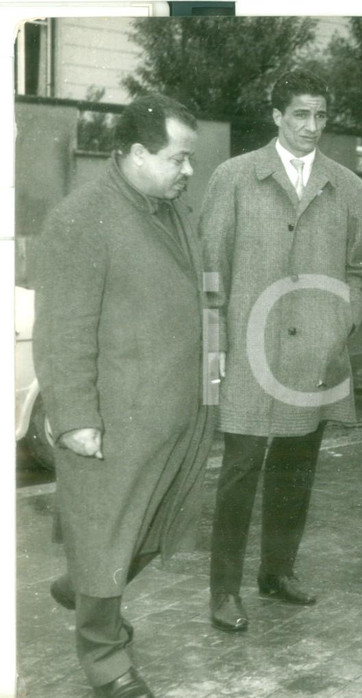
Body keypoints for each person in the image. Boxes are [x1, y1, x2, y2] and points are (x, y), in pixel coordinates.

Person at [34, 93, 213, 697]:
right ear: (137, 153)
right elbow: (63, 329)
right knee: (107, 530)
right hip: (114, 419)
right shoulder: (81, 218)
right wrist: (77, 417)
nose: (189, 172)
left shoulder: (171, 208)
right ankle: (106, 658)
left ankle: (84, 585)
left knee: (158, 526)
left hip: (172, 412)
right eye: (179, 158)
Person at [201, 70, 362, 632]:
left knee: (297, 468)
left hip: (313, 358)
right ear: (276, 116)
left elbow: (361, 272)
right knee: (240, 470)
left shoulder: (348, 186)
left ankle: (277, 573)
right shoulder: (234, 177)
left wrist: (338, 323)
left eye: (321, 115)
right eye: (301, 114)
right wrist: (214, 349)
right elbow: (209, 272)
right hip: (248, 352)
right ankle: (223, 591)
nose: (312, 126)